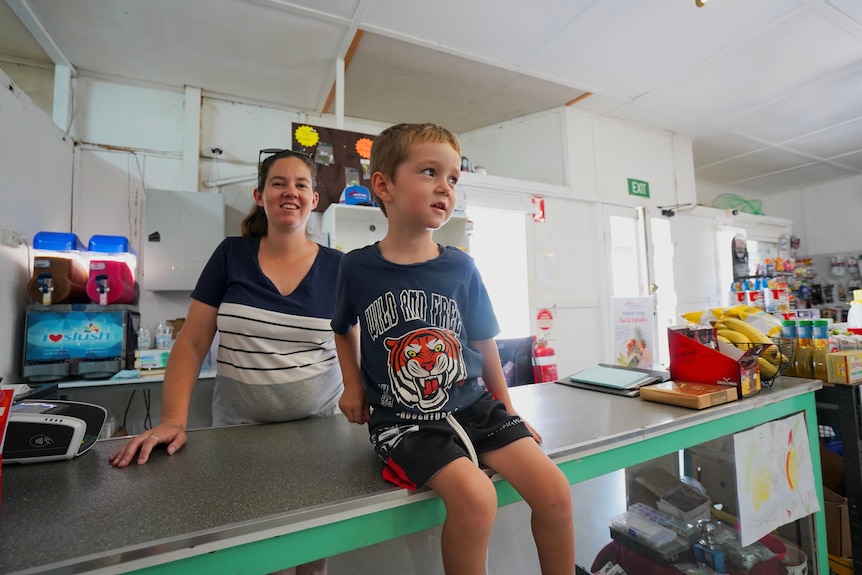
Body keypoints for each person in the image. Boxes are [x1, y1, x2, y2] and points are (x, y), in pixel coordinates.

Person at [330, 123, 575, 575]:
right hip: (404, 422)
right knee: (477, 498)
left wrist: (508, 407)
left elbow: (485, 341)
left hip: (475, 407)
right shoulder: (356, 267)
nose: (445, 187)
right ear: (383, 185)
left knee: (556, 492)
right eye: (429, 172)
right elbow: (342, 327)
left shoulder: (462, 266)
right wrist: (352, 386)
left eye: (454, 178)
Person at [110, 148, 342, 575]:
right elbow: (193, 342)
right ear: (260, 195)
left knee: (311, 549)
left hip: (317, 435)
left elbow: (357, 346)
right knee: (256, 551)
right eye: (278, 183)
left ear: (315, 200)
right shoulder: (231, 255)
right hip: (240, 437)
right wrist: (173, 421)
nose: (290, 192)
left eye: (301, 184)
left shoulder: (340, 267)